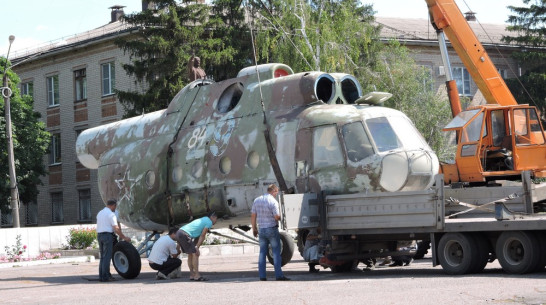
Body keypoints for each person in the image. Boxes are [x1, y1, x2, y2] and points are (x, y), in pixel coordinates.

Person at [251, 184, 290, 281]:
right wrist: (282, 218)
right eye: (276, 192)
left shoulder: (257, 200)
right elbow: (276, 216)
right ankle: (279, 275)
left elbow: (253, 216)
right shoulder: (273, 201)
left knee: (262, 253)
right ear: (273, 191)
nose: (276, 194)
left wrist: (254, 228)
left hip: (261, 230)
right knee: (276, 253)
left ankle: (262, 276)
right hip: (271, 229)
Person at [175, 211, 218, 281]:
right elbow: (203, 235)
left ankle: (192, 274)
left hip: (179, 233)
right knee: (195, 253)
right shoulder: (209, 222)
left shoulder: (203, 220)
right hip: (185, 234)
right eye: (216, 219)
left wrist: (196, 246)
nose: (216, 221)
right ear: (212, 217)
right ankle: (197, 275)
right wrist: (196, 247)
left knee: (191, 254)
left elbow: (197, 237)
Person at [96, 199, 130, 282]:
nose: (115, 208)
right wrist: (124, 237)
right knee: (107, 257)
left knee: (103, 257)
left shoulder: (100, 213)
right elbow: (116, 228)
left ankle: (102, 276)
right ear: (113, 205)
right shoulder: (111, 215)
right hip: (107, 236)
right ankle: (106, 276)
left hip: (99, 235)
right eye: (115, 206)